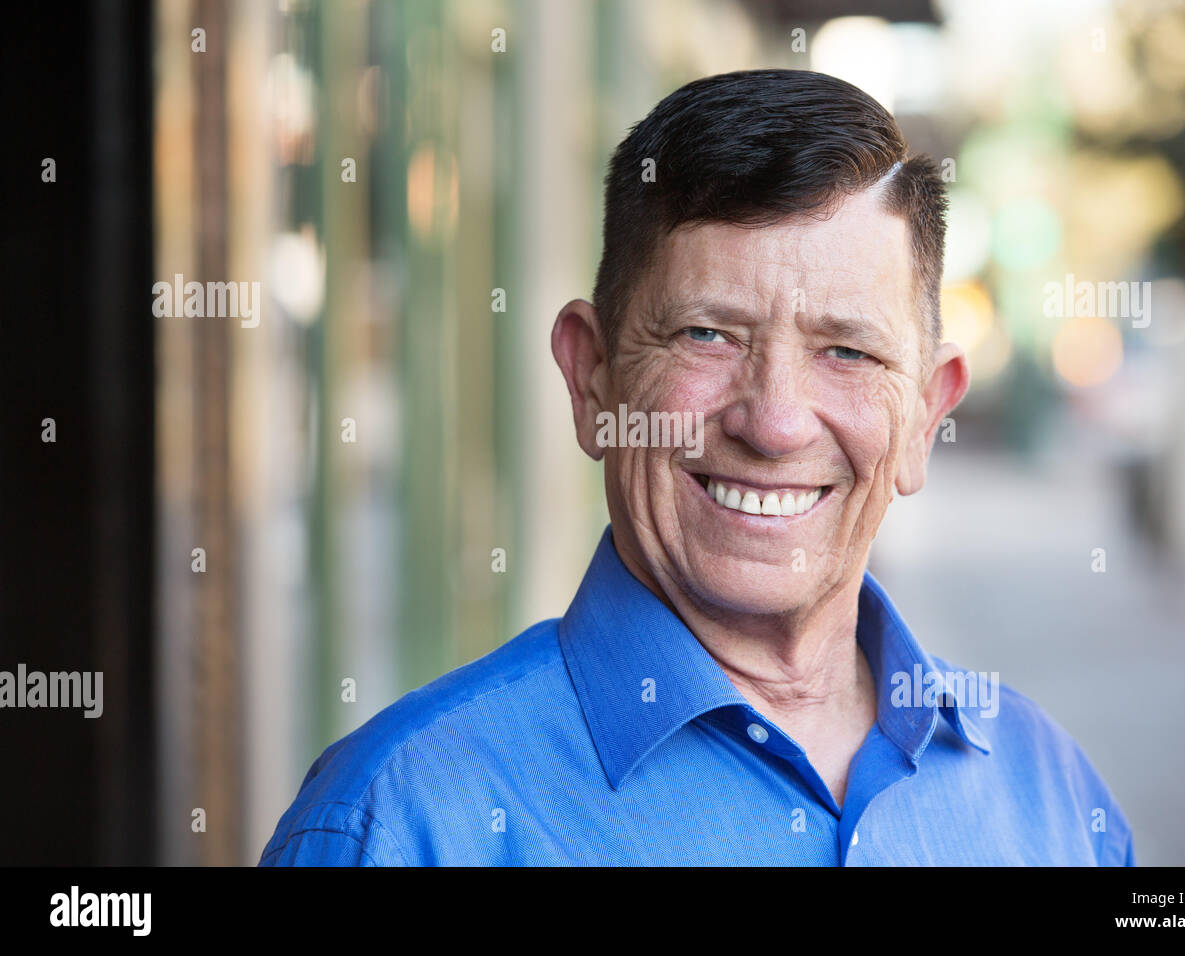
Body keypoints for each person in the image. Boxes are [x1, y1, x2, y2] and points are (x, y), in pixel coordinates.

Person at [260, 69, 1135, 866]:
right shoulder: (399, 826)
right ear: (591, 378)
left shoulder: (1052, 798)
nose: (776, 422)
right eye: (706, 335)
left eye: (847, 352)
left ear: (925, 418)